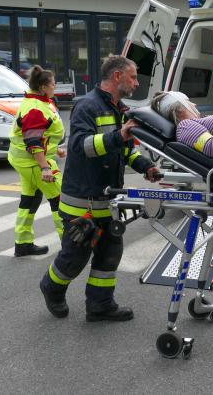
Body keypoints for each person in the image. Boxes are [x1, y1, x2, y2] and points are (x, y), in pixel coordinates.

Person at [39, 56, 160, 322]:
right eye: (132, 77)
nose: (136, 83)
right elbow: (81, 146)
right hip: (82, 202)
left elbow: (124, 150)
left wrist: (145, 167)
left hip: (108, 201)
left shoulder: (120, 109)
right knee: (75, 258)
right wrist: (118, 136)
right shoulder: (87, 106)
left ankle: (100, 306)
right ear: (117, 76)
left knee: (109, 254)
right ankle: (51, 287)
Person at [7, 66, 65, 256]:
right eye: (53, 84)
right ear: (43, 87)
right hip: (34, 163)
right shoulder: (35, 108)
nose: (55, 87)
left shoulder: (38, 102)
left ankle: (22, 243)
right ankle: (70, 247)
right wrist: (44, 168)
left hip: (26, 162)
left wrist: (56, 149)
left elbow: (43, 135)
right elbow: (33, 141)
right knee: (61, 201)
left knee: (29, 200)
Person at [152, 91, 213, 158]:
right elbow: (211, 147)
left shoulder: (200, 120)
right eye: (188, 102)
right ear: (180, 109)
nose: (194, 104)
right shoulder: (185, 126)